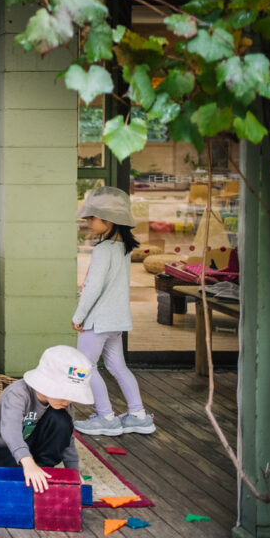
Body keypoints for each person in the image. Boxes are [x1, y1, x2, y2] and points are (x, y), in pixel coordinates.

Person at [72, 187, 156, 436]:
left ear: (107, 220)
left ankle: (106, 416)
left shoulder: (103, 250)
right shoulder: (124, 249)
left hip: (97, 321)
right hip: (117, 321)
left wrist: (78, 316)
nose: (87, 222)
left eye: (91, 218)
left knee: (85, 367)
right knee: (118, 367)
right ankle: (138, 416)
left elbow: (93, 288)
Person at [0, 345, 94, 493]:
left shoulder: (63, 404)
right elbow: (10, 432)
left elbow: (67, 439)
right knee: (4, 489)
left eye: (72, 395)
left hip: (37, 451)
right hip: (6, 450)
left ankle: (42, 469)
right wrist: (28, 463)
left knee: (62, 421)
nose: (68, 401)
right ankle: (31, 469)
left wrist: (73, 472)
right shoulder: (18, 394)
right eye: (63, 393)